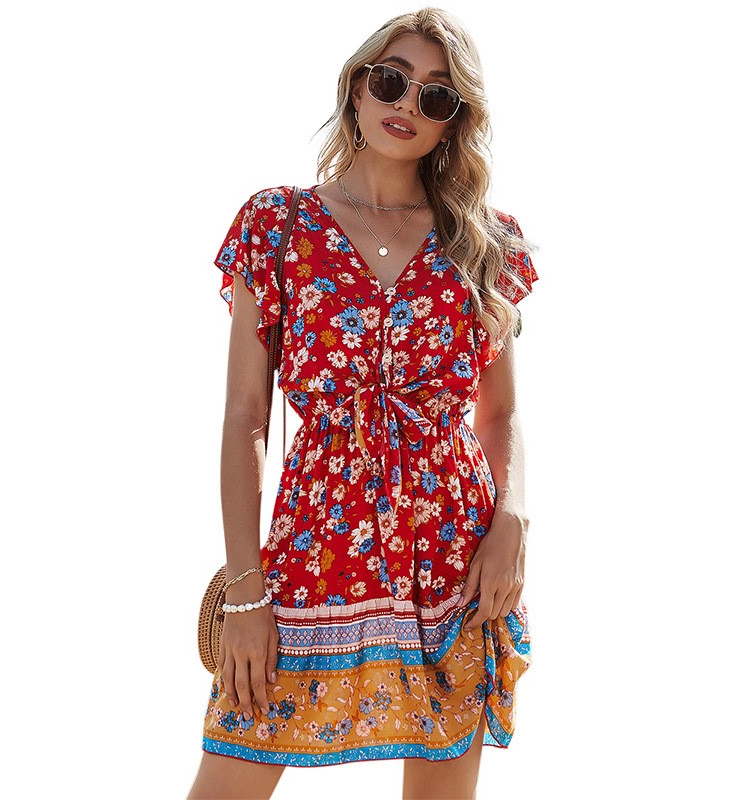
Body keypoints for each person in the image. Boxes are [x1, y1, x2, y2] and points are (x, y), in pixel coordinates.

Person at [187, 7, 540, 799]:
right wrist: (245, 589)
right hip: (311, 552)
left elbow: (501, 414)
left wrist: (512, 522)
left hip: (453, 554)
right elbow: (245, 418)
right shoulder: (276, 225)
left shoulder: (485, 243)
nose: (408, 103)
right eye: (392, 80)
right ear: (356, 87)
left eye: (436, 96)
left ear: (454, 122)